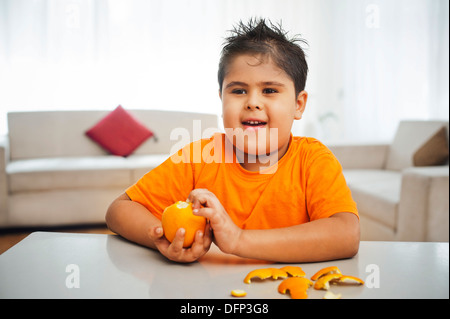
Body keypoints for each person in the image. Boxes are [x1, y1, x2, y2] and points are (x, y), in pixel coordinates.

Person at [106, 18, 360, 263]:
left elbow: (346, 235)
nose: (252, 102)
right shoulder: (199, 158)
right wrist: (164, 238)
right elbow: (118, 211)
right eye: (238, 91)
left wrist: (239, 240)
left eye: (269, 90)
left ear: (298, 104)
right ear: (222, 100)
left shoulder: (313, 160)